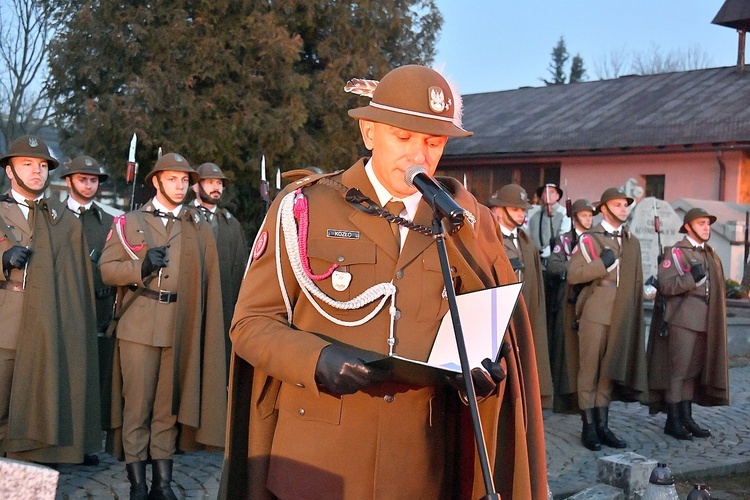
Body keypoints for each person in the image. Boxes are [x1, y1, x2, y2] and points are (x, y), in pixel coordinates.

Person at [220, 65, 547, 500]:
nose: (419, 155)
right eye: (404, 137)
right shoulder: (304, 208)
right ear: (369, 131)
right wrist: (315, 358)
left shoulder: (464, 223)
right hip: (316, 461)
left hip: (418, 468)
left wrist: (480, 378)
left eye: (433, 142)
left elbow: (489, 338)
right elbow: (250, 324)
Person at [100, 153, 227, 499]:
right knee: (137, 408)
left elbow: (208, 276)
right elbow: (107, 269)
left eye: (185, 180)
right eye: (172, 179)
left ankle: (162, 485)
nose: (180, 185)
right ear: (156, 181)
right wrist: (140, 266)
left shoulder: (196, 225)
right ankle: (138, 486)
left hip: (180, 326)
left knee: (167, 410)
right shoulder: (130, 221)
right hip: (138, 326)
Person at [0, 135, 101, 465]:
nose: (36, 171)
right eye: (27, 164)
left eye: (42, 165)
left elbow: (75, 285)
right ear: (9, 172)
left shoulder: (64, 221)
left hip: (48, 330)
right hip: (7, 327)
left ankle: (25, 483)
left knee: (36, 413)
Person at [566, 187, 648, 451]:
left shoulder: (631, 241)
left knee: (608, 371)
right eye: (618, 204)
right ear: (604, 208)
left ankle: (603, 425)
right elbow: (574, 275)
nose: (623, 208)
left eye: (626, 205)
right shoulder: (591, 239)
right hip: (596, 309)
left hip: (621, 312)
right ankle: (588, 427)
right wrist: (602, 264)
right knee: (589, 369)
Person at [646, 207, 729, 440]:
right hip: (682, 317)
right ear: (689, 226)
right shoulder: (676, 253)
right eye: (701, 223)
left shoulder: (709, 253)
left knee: (692, 372)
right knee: (678, 371)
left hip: (705, 317)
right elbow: (666, 286)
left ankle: (686, 416)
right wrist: (691, 278)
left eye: (708, 223)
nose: (706, 227)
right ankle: (672, 420)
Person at [61, 155, 116, 464]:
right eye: (82, 179)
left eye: (93, 180)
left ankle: (83, 445)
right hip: (63, 309)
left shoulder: (108, 222)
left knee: (92, 379)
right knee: (61, 374)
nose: (88, 184)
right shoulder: (53, 217)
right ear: (68, 181)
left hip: (99, 308)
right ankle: (57, 443)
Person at [487, 184, 553, 409]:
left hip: (524, 316)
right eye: (516, 210)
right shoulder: (489, 239)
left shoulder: (526, 241)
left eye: (523, 210)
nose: (521, 214)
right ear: (499, 210)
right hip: (499, 320)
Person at [191, 162, 248, 377]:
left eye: (219, 183)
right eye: (209, 182)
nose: (216, 187)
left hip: (224, 305)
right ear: (196, 187)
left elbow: (241, 270)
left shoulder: (231, 223)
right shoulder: (184, 219)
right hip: (192, 304)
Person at [546, 199, 595, 412]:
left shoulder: (595, 240)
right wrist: (575, 267)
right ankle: (565, 397)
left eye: (590, 215)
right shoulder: (564, 240)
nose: (589, 219)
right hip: (567, 298)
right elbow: (553, 266)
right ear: (574, 217)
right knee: (565, 349)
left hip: (589, 298)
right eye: (584, 215)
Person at [526, 183, 571, 368]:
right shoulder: (535, 215)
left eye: (552, 192)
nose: (548, 195)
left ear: (558, 195)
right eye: (545, 192)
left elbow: (565, 238)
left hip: (555, 264)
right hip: (539, 264)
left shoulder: (565, 215)